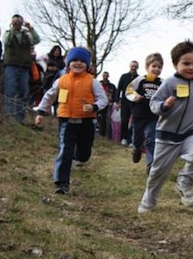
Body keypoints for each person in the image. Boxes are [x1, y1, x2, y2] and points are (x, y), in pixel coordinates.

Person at [137, 40, 193, 213]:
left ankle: (184, 183)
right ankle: (148, 201)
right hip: (167, 135)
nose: (191, 67)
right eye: (186, 63)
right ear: (176, 64)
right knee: (157, 173)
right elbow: (154, 103)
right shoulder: (168, 83)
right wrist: (164, 106)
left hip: (191, 132)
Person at [34, 47, 108, 194]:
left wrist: (94, 107)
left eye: (82, 61)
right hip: (66, 121)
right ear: (68, 63)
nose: (78, 63)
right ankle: (61, 183)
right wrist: (41, 112)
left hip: (86, 123)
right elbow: (49, 96)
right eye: (74, 60)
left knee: (84, 155)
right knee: (64, 150)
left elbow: (103, 99)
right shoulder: (62, 80)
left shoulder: (92, 81)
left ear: (87, 65)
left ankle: (78, 155)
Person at [126, 53, 164, 175]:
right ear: (147, 66)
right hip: (139, 115)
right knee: (136, 138)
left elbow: (166, 94)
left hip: (154, 116)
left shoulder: (162, 83)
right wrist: (135, 96)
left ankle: (151, 164)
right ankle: (136, 149)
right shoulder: (140, 80)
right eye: (154, 66)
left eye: (159, 67)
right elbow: (129, 91)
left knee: (151, 139)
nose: (157, 69)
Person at [3, 14, 41, 124]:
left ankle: (20, 118)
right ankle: (9, 117)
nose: (17, 24)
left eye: (19, 21)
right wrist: (12, 28)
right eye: (15, 22)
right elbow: (6, 42)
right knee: (10, 91)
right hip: (11, 65)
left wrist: (30, 28)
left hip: (24, 67)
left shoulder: (27, 34)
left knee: (24, 92)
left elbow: (37, 40)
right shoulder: (7, 33)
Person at [115, 61, 139, 146]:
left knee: (134, 122)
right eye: (132, 66)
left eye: (135, 66)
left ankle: (131, 140)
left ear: (137, 67)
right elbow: (119, 89)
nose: (133, 67)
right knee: (124, 120)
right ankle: (123, 138)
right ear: (130, 66)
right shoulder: (124, 76)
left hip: (135, 102)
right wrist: (117, 102)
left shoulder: (139, 78)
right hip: (125, 101)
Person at [98, 71, 117, 138]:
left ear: (108, 76)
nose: (105, 76)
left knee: (106, 120)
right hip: (99, 103)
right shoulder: (98, 84)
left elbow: (115, 95)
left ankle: (106, 135)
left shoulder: (112, 86)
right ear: (102, 76)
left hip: (108, 105)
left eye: (106, 75)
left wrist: (113, 102)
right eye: (104, 75)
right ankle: (98, 134)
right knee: (98, 119)